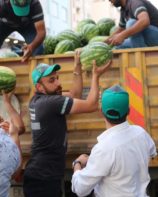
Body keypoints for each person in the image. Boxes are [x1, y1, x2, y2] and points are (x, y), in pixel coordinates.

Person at [23, 51, 112, 197]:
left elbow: (75, 95)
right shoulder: (51, 102)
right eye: (51, 81)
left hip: (41, 173)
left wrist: (77, 67)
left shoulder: (39, 99)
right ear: (39, 87)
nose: (58, 83)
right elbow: (91, 105)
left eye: (57, 78)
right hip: (43, 178)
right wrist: (96, 76)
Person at [71, 85, 157, 197]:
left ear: (102, 111)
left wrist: (77, 164)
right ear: (128, 111)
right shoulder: (141, 133)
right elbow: (152, 152)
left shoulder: (103, 149)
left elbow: (80, 189)